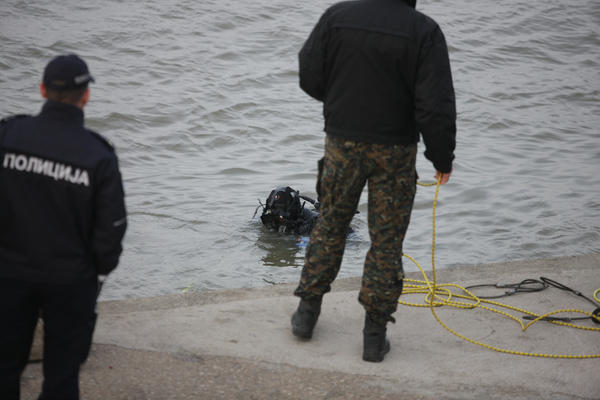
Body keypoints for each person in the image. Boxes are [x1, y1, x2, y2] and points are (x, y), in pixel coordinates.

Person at [291, 0, 456, 362]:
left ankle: (306, 314)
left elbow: (309, 73)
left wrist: (338, 102)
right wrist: (441, 157)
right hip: (395, 150)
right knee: (386, 241)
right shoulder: (423, 30)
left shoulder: (337, 17)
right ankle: (373, 336)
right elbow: (435, 104)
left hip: (342, 142)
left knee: (330, 224)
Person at [0, 54, 127, 399]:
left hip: (9, 272)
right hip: (70, 280)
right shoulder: (97, 155)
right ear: (86, 96)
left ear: (42, 89)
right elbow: (112, 226)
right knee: (61, 378)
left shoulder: (8, 135)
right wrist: (97, 271)